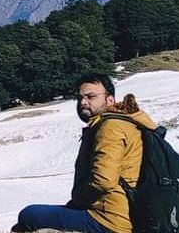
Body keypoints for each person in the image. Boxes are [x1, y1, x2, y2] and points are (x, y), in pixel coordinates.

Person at [11, 73, 157, 233]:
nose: (83, 102)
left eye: (91, 96)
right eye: (80, 98)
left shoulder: (110, 127)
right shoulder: (121, 122)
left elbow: (104, 180)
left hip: (110, 220)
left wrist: (79, 199)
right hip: (123, 213)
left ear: (110, 99)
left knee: (29, 215)